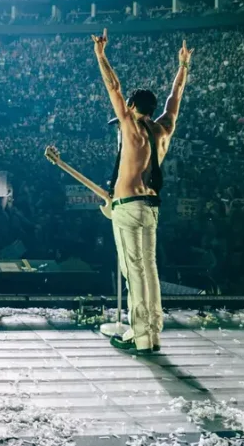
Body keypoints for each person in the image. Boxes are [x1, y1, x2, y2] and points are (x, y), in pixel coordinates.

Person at [93, 28, 191, 353]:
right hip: (151, 207)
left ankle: (140, 336)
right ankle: (154, 332)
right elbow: (175, 98)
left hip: (127, 206)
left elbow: (113, 87)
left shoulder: (129, 125)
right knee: (150, 270)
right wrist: (183, 66)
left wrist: (101, 55)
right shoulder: (163, 130)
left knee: (133, 271)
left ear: (133, 105)